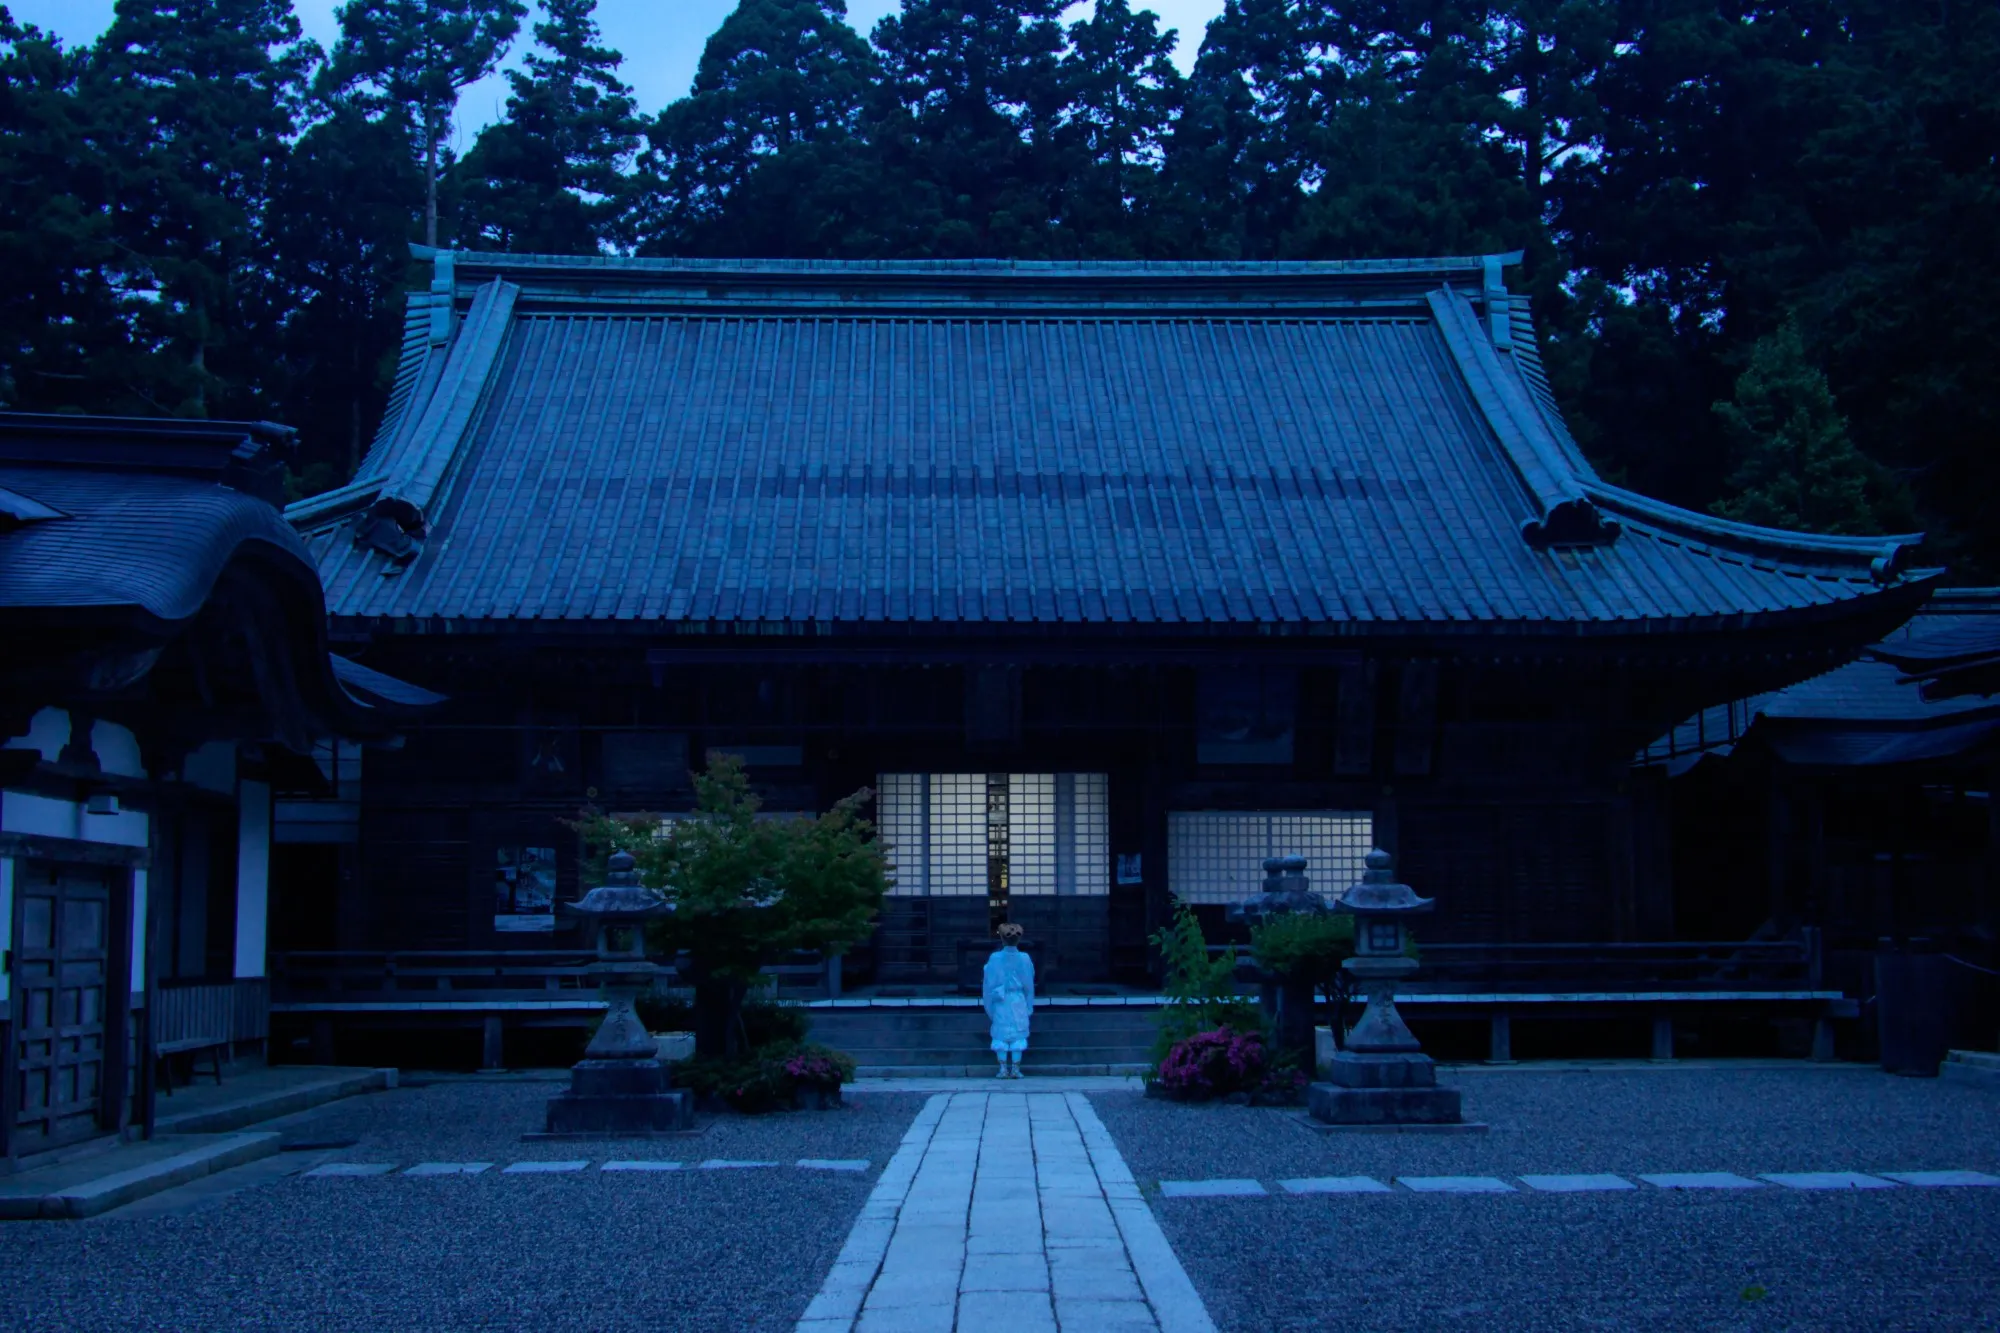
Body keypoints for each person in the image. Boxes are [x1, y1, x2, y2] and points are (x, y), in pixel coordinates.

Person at [982, 922, 1035, 1079]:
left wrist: (990, 1002)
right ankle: (1016, 1069)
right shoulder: (1024, 958)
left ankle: (1003, 1069)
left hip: (1001, 999)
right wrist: (1029, 1003)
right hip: (1018, 998)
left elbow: (989, 981)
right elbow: (1029, 984)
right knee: (1018, 1034)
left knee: (1001, 1033)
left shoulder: (995, 958)